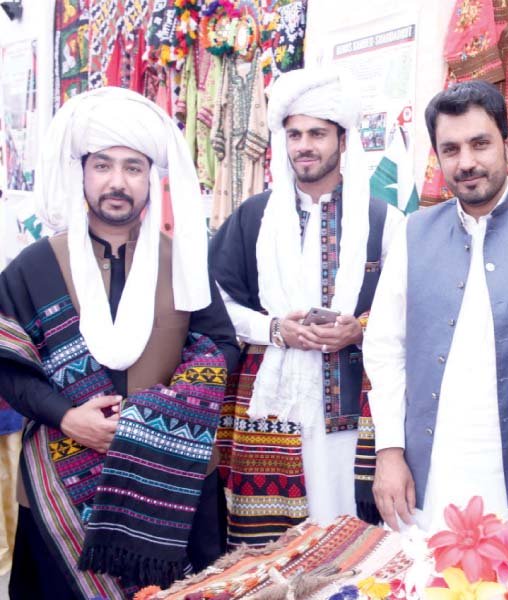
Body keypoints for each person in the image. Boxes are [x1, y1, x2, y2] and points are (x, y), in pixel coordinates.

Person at [0, 87, 239, 599]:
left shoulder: (185, 263)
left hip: (169, 487)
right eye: (103, 165)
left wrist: (155, 415)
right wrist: (68, 418)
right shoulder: (33, 267)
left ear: (151, 180)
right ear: (81, 173)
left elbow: (221, 346)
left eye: (133, 167)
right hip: (61, 486)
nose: (117, 182)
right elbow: (9, 367)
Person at [363, 80, 508, 531]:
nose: (466, 162)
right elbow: (385, 348)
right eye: (451, 149)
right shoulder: (412, 232)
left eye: (480, 144)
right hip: (428, 473)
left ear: (507, 143)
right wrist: (389, 451)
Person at [210, 68, 404, 546]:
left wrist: (358, 330)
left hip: (350, 410)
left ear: (342, 139)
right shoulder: (252, 217)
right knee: (268, 555)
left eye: (317, 133)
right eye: (294, 134)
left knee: (348, 540)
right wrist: (274, 328)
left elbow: (410, 310)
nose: (304, 145)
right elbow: (214, 306)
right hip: (269, 409)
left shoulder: (386, 220)